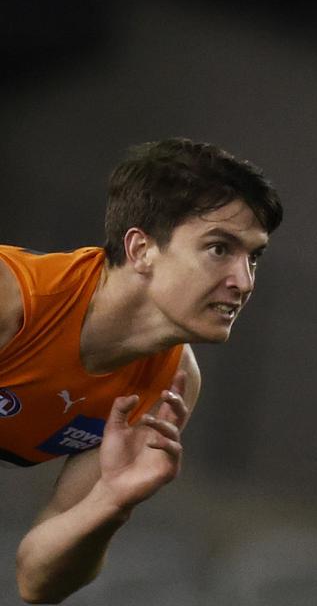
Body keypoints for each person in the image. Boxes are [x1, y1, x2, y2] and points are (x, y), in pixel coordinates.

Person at [1, 138, 283, 603]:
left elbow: (38, 581)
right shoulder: (13, 303)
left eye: (253, 256)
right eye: (219, 248)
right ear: (141, 249)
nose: (244, 281)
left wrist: (109, 502)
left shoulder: (171, 385)